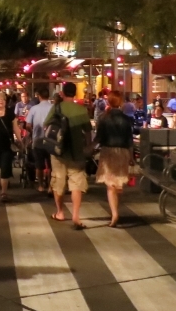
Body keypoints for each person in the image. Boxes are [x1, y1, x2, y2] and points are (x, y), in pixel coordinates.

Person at [45, 81, 93, 229]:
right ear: (75, 93)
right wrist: (88, 148)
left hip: (59, 151)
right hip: (77, 151)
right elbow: (88, 132)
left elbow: (46, 124)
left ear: (63, 93)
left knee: (58, 181)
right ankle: (76, 216)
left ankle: (60, 212)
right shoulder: (81, 110)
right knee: (77, 182)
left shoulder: (57, 107)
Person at [95, 91, 134, 226]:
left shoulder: (103, 118)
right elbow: (129, 140)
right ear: (121, 102)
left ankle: (114, 214)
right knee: (118, 183)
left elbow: (98, 138)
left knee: (110, 185)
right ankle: (116, 208)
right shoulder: (126, 119)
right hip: (123, 152)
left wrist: (89, 149)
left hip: (108, 152)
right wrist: (132, 156)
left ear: (108, 102)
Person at [25, 87, 54, 193]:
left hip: (38, 140)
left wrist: (33, 131)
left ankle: (41, 185)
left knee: (39, 164)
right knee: (51, 165)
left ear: (39, 96)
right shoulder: (54, 108)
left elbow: (28, 125)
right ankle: (50, 186)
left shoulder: (34, 109)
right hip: (51, 140)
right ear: (48, 96)